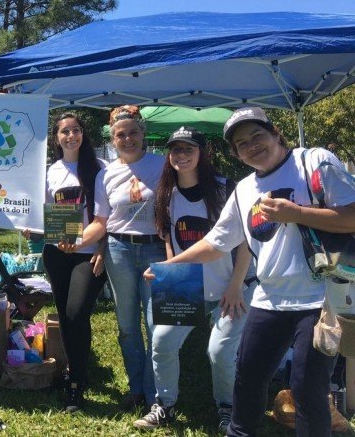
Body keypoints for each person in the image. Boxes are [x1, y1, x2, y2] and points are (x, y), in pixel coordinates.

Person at [147, 107, 355, 436]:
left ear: (275, 133)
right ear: (236, 153)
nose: (252, 145)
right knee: (246, 379)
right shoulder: (245, 189)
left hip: (322, 298)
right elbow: (217, 242)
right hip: (268, 298)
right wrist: (172, 264)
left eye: (257, 135)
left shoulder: (315, 161)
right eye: (242, 143)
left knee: (306, 389)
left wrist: (297, 213)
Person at [133, 126, 254, 431]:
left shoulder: (228, 189)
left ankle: (226, 407)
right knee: (161, 342)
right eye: (176, 149)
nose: (181, 155)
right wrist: (170, 268)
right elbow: (169, 238)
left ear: (203, 153)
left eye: (189, 149)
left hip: (233, 286)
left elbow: (245, 245)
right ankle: (165, 404)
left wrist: (236, 286)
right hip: (188, 285)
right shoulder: (166, 194)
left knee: (219, 351)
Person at [63, 104, 165, 409]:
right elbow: (101, 223)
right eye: (121, 134)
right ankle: (137, 390)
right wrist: (78, 241)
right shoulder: (105, 174)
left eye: (133, 132)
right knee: (127, 326)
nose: (128, 138)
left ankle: (155, 394)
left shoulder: (163, 165)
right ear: (113, 137)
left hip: (155, 251)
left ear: (143, 134)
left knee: (155, 326)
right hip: (119, 251)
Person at [40, 112, 108, 412]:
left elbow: (111, 217)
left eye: (76, 130)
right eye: (65, 131)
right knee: (66, 317)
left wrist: (102, 248)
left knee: (77, 312)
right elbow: (42, 212)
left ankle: (77, 380)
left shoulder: (101, 169)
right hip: (56, 253)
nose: (71, 136)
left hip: (88, 253)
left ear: (83, 134)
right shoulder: (48, 172)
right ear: (56, 137)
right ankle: (75, 375)